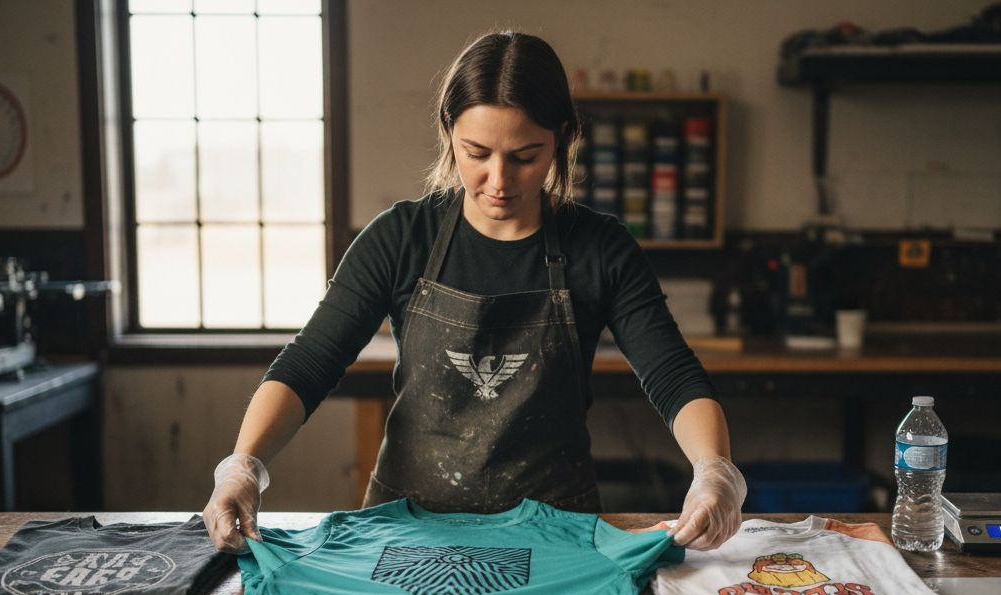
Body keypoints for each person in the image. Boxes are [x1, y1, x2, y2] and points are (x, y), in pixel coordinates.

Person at [203, 31, 746, 554]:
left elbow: (673, 376)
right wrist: (242, 466)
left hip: (555, 531)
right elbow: (308, 364)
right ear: (448, 132)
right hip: (406, 530)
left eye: (525, 155)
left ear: (564, 136)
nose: (499, 179)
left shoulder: (601, 249)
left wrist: (713, 470)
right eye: (477, 152)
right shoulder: (400, 239)